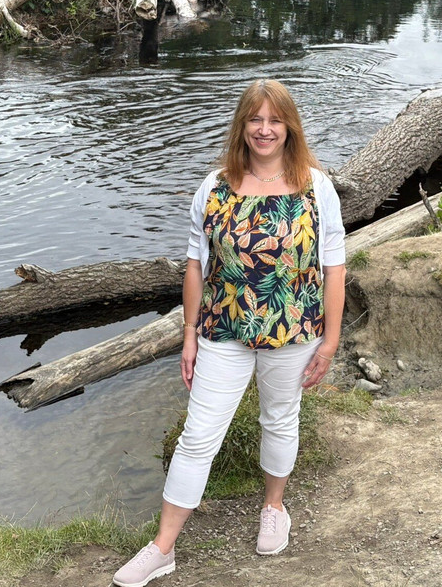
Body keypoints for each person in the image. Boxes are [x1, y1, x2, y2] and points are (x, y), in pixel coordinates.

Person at [113, 79, 346, 587]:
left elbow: (334, 265)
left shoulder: (315, 188)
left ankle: (273, 508)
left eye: (275, 120)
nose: (264, 130)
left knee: (279, 420)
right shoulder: (215, 185)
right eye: (255, 120)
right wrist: (190, 332)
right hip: (223, 331)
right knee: (197, 437)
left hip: (294, 331)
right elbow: (196, 265)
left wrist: (329, 340)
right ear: (242, 126)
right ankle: (162, 548)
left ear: (289, 127)